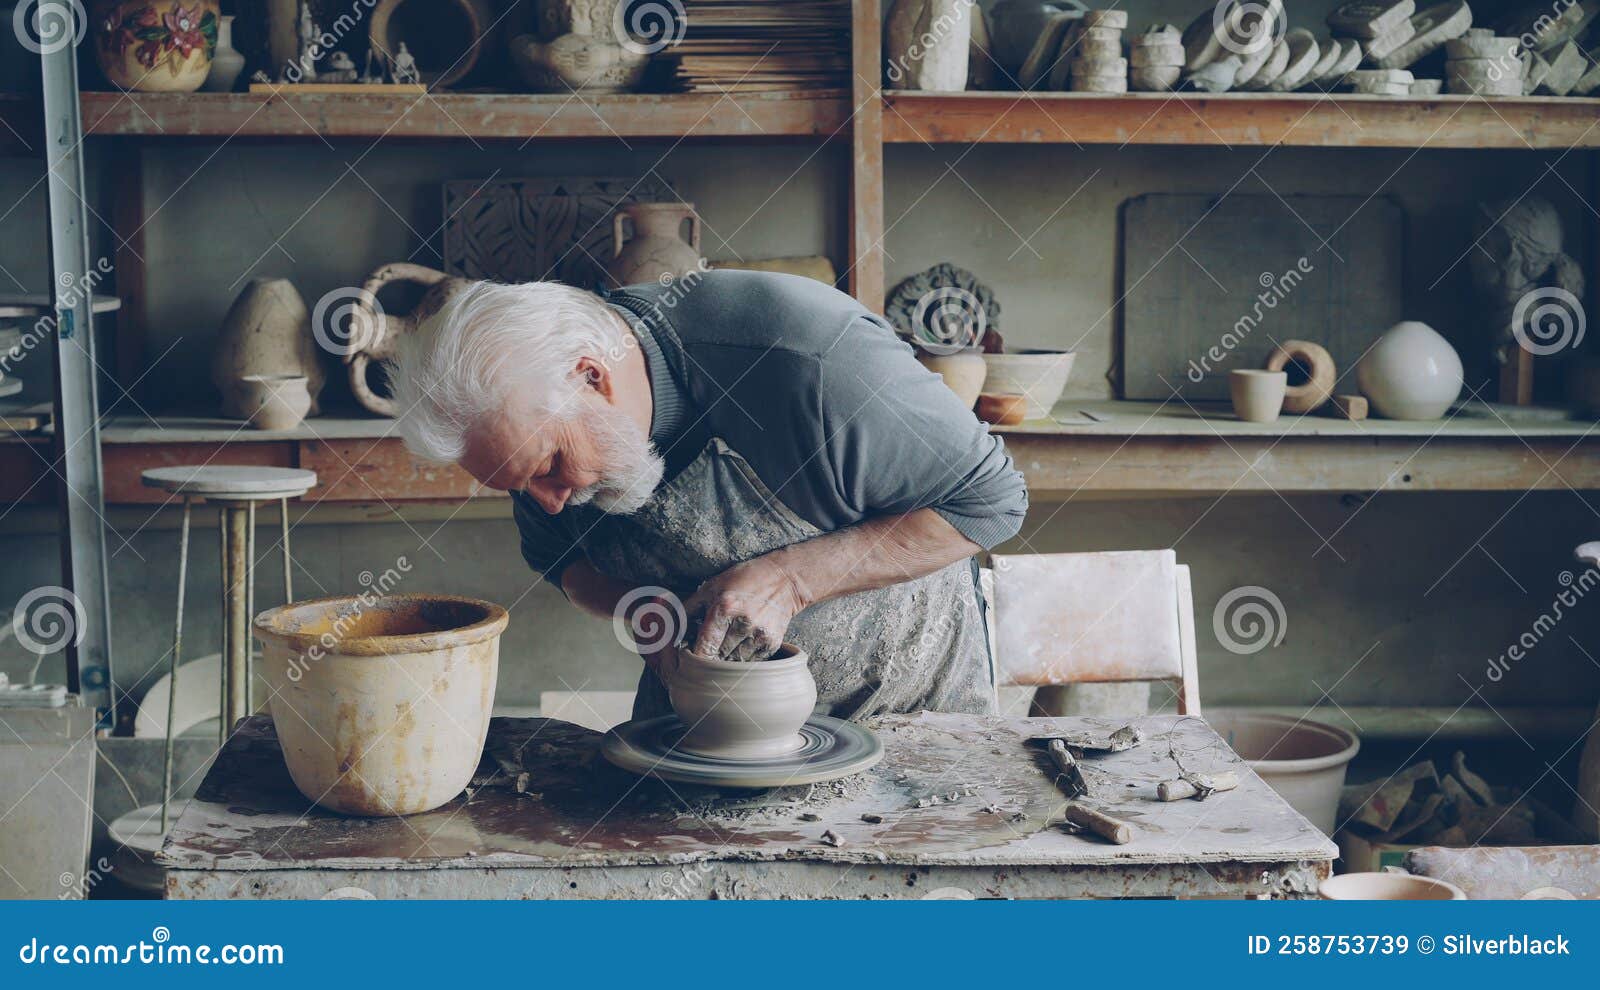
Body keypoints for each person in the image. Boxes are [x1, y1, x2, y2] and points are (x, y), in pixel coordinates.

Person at [389, 270, 1027, 719]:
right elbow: (567, 566)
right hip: (702, 739)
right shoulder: (522, 421)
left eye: (550, 467)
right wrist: (647, 612)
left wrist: (791, 580)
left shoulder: (807, 355)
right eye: (519, 486)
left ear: (591, 376)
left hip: (910, 720)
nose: (545, 501)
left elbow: (992, 501)